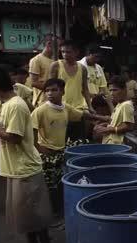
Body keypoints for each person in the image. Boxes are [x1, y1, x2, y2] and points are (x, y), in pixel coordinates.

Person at [0, 65, 54, 243]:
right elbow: (8, 137)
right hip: (14, 167)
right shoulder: (6, 104)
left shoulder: (16, 105)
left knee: (35, 212)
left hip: (25, 168)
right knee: (23, 212)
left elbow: (15, 138)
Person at [31, 78, 110, 224]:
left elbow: (82, 115)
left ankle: (62, 214)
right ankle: (52, 217)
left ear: (62, 91)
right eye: (47, 90)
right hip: (47, 154)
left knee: (61, 184)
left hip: (61, 151)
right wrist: (40, 149)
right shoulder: (40, 110)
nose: (50, 93)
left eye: (54, 90)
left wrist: (102, 117)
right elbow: (31, 131)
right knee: (50, 187)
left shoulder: (65, 107)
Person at [94, 76, 135, 145]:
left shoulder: (126, 105)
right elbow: (116, 123)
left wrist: (107, 129)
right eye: (110, 90)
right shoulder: (119, 104)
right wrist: (105, 125)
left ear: (124, 90)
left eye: (115, 90)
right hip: (110, 143)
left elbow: (128, 126)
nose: (112, 93)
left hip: (117, 145)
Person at [29, 35, 58, 107]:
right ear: (49, 44)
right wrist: (53, 91)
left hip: (55, 101)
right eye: (58, 46)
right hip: (42, 102)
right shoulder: (36, 60)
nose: (59, 49)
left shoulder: (56, 61)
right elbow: (34, 82)